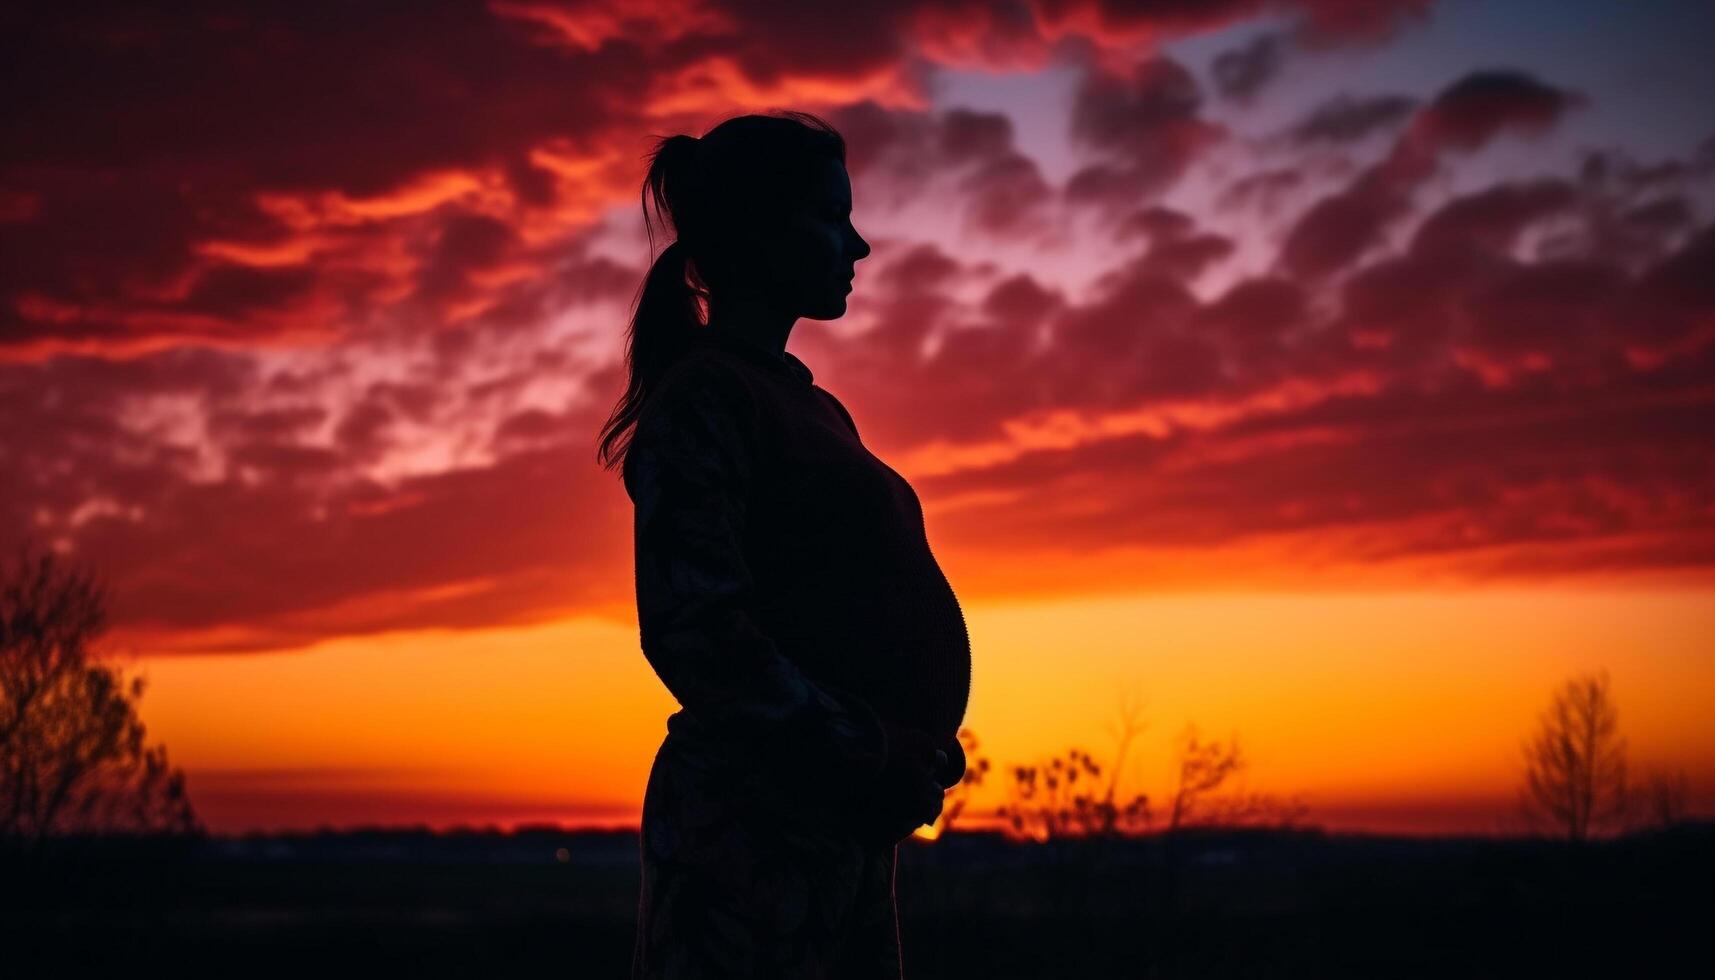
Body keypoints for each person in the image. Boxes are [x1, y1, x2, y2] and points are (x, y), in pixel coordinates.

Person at [597, 110, 972, 979]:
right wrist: (867, 748)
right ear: (761, 232)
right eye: (830, 217)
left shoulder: (807, 407)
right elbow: (696, 632)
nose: (859, 245)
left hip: (828, 833)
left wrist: (899, 749)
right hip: (751, 843)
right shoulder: (705, 402)